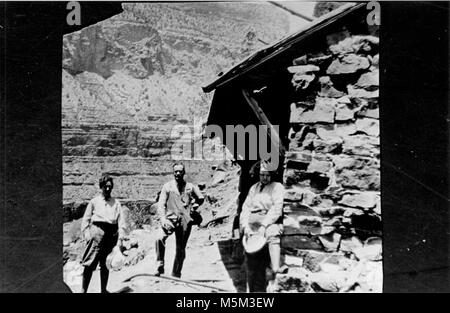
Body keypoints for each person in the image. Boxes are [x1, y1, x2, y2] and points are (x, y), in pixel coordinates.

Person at [153, 163, 204, 278]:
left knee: (180, 248)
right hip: (170, 219)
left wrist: (194, 206)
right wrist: (162, 218)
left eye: (180, 171)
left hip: (185, 220)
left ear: (183, 173)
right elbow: (161, 204)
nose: (178, 173)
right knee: (159, 238)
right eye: (176, 171)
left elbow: (201, 197)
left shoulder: (190, 186)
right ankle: (160, 264)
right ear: (173, 173)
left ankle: (176, 273)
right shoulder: (167, 186)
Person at [240, 161, 285, 292]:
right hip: (252, 222)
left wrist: (264, 225)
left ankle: (276, 268)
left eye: (267, 175)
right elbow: (246, 208)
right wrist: (246, 226)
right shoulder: (254, 188)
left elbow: (277, 208)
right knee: (249, 252)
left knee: (272, 234)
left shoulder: (277, 187)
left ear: (272, 175)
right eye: (262, 175)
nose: (264, 178)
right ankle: (251, 288)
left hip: (268, 220)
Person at [80, 174, 126, 293]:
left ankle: (103, 290)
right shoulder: (94, 202)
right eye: (105, 186)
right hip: (96, 235)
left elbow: (121, 222)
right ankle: (83, 290)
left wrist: (120, 238)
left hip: (110, 236)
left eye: (110, 186)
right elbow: (86, 219)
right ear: (101, 187)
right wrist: (87, 234)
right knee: (89, 264)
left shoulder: (116, 203)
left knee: (105, 265)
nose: (107, 189)